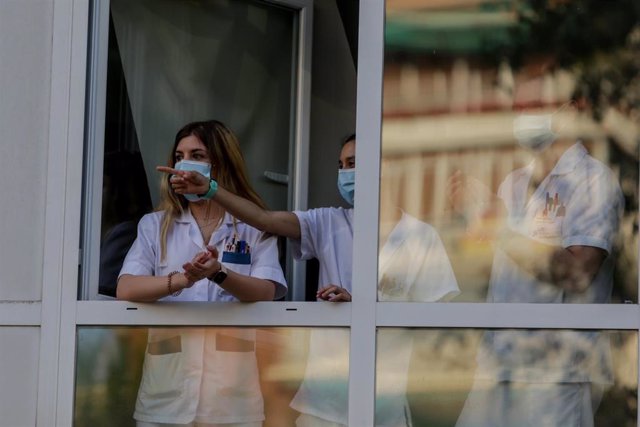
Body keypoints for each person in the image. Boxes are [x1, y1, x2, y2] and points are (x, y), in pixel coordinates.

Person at [161, 133, 459, 426]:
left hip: (386, 402)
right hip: (323, 403)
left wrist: (366, 306)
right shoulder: (328, 222)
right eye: (341, 165)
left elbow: (438, 327)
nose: (346, 173)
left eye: (353, 163)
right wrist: (211, 190)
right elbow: (265, 220)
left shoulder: (421, 236)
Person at [451, 101, 624, 427]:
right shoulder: (515, 183)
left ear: (572, 107)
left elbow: (578, 273)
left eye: (538, 101)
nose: (524, 111)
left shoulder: (594, 183)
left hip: (556, 375)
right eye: (521, 102)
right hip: (498, 368)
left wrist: (496, 226)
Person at [117, 119, 287, 427]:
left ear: (221, 163)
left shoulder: (253, 226)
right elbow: (126, 288)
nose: (185, 164)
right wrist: (184, 279)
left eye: (197, 155)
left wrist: (219, 273)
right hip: (166, 396)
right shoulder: (155, 225)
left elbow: (266, 292)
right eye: (180, 156)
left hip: (232, 399)